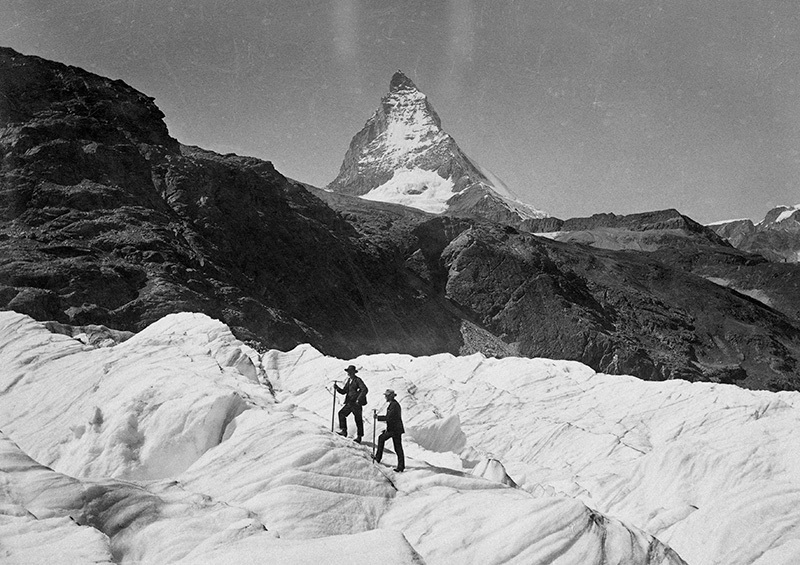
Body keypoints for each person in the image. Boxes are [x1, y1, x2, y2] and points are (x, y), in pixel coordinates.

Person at [335, 365, 368, 443]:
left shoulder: (357, 380)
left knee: (358, 419)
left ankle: (359, 437)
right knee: (341, 413)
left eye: (350, 372)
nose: (348, 373)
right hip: (350, 402)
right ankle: (344, 431)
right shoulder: (349, 380)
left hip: (356, 404)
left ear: (353, 372)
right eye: (348, 372)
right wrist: (337, 388)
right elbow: (344, 391)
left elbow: (365, 389)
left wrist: (358, 399)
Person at [374, 389, 405, 472]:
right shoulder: (394, 404)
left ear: (389, 396)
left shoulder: (394, 405)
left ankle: (378, 458)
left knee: (396, 447)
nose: (385, 397)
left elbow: (389, 418)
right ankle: (400, 466)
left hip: (394, 430)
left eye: (386, 396)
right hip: (395, 429)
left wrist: (378, 417)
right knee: (397, 447)